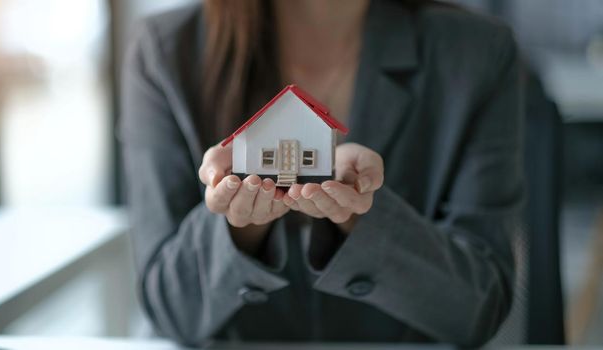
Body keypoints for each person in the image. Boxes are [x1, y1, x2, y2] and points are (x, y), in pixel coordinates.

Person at [119, 0, 523, 347]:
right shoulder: (165, 54)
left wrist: (360, 219)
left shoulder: (476, 55)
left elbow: (479, 308)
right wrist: (239, 230)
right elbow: (171, 309)